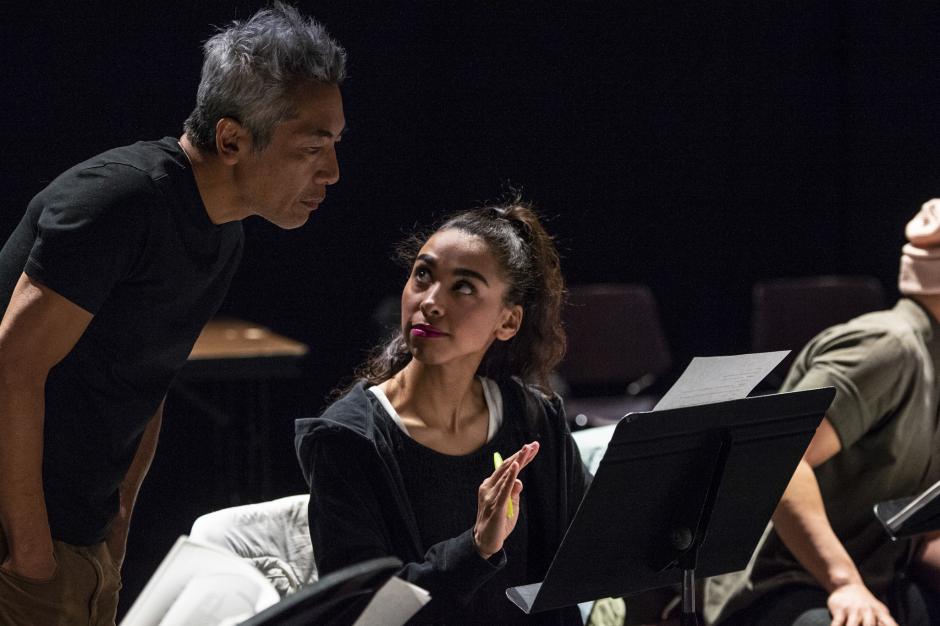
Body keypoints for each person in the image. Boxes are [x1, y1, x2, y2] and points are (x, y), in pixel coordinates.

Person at [0, 4, 346, 624]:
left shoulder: (225, 233)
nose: (332, 172)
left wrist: (120, 518)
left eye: (335, 146)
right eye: (311, 148)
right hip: (18, 544)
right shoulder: (118, 203)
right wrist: (30, 555)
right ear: (232, 140)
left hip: (78, 538)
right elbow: (10, 370)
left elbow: (149, 378)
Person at [295, 200, 590, 624]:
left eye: (463, 287)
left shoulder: (533, 418)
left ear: (507, 322)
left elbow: (587, 553)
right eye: (423, 275)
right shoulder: (348, 438)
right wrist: (476, 548)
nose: (430, 301)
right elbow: (363, 614)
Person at [707, 202, 940, 626]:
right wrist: (845, 582)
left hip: (876, 577)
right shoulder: (885, 348)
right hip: (786, 583)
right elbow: (779, 458)